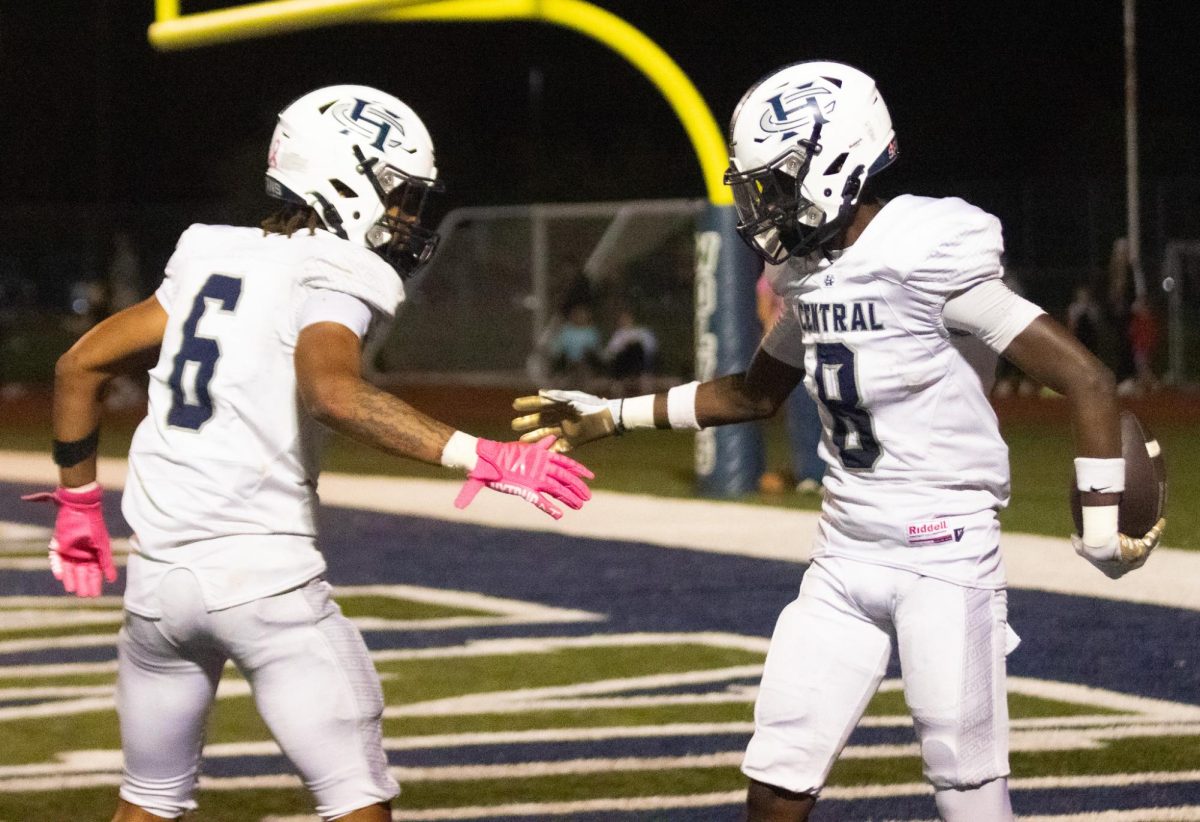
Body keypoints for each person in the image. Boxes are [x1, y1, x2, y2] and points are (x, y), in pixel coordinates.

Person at [509, 61, 1165, 822]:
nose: (761, 206)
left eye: (775, 184)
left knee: (965, 784)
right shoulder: (811, 274)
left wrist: (1097, 532)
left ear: (839, 160)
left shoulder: (926, 252)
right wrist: (609, 416)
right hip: (844, 556)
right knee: (778, 775)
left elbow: (1085, 378)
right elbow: (751, 394)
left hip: (943, 555)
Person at [22, 85, 594, 822]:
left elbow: (79, 366)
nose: (406, 217)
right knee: (356, 800)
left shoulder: (208, 251)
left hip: (158, 588)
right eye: (397, 195)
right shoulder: (342, 269)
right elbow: (334, 393)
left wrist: (75, 508)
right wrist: (481, 456)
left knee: (149, 803)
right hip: (265, 584)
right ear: (342, 177)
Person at [757, 267, 823, 494]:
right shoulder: (779, 270)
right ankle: (808, 474)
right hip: (793, 348)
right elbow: (765, 308)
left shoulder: (822, 264)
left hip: (821, 343)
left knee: (828, 412)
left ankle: (829, 474)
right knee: (802, 413)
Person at [603, 307, 658, 396]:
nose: (624, 321)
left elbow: (651, 349)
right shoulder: (618, 335)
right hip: (624, 364)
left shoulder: (643, 332)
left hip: (641, 363)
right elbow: (610, 352)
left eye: (626, 318)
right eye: (622, 319)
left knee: (636, 347)